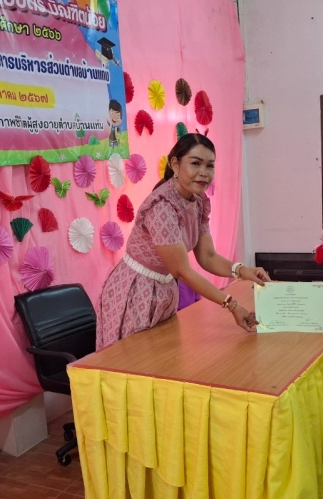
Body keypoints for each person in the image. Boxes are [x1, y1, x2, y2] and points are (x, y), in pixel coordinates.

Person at [97, 133, 270, 350]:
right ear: (175, 164)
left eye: (210, 166)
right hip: (135, 291)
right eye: (195, 163)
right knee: (134, 360)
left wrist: (242, 270)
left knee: (164, 357)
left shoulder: (197, 202)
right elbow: (182, 271)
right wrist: (232, 305)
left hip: (165, 289)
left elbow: (207, 256)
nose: (204, 173)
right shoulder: (162, 207)